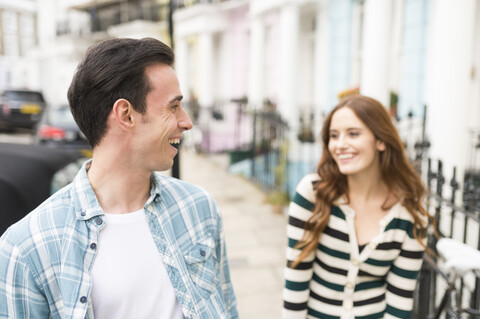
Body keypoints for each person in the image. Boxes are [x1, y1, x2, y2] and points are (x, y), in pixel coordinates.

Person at [0, 37, 238, 319]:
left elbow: (227, 309)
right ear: (125, 114)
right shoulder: (27, 248)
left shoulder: (199, 208)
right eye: (173, 107)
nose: (186, 121)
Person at [283, 95, 431, 319]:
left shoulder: (411, 214)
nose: (340, 145)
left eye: (353, 134)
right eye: (334, 136)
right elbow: (296, 280)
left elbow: (400, 299)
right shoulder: (313, 194)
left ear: (381, 140)